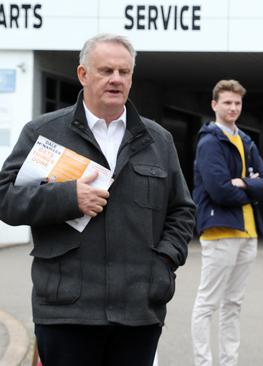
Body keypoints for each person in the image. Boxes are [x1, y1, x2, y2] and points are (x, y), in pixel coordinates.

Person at [0, 33, 195, 366]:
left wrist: (162, 265)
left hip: (138, 311)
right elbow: (6, 197)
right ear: (83, 75)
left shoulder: (157, 140)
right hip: (66, 311)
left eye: (124, 72)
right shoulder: (44, 132)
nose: (116, 79)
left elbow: (182, 212)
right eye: (106, 71)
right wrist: (67, 198)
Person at [191, 79, 263, 366]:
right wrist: (251, 188)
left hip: (247, 232)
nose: (233, 107)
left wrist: (246, 185)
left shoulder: (246, 140)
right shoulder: (209, 142)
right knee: (208, 303)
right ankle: (204, 363)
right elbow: (219, 190)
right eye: (227, 102)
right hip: (220, 232)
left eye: (237, 103)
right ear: (214, 105)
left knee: (233, 305)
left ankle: (229, 362)